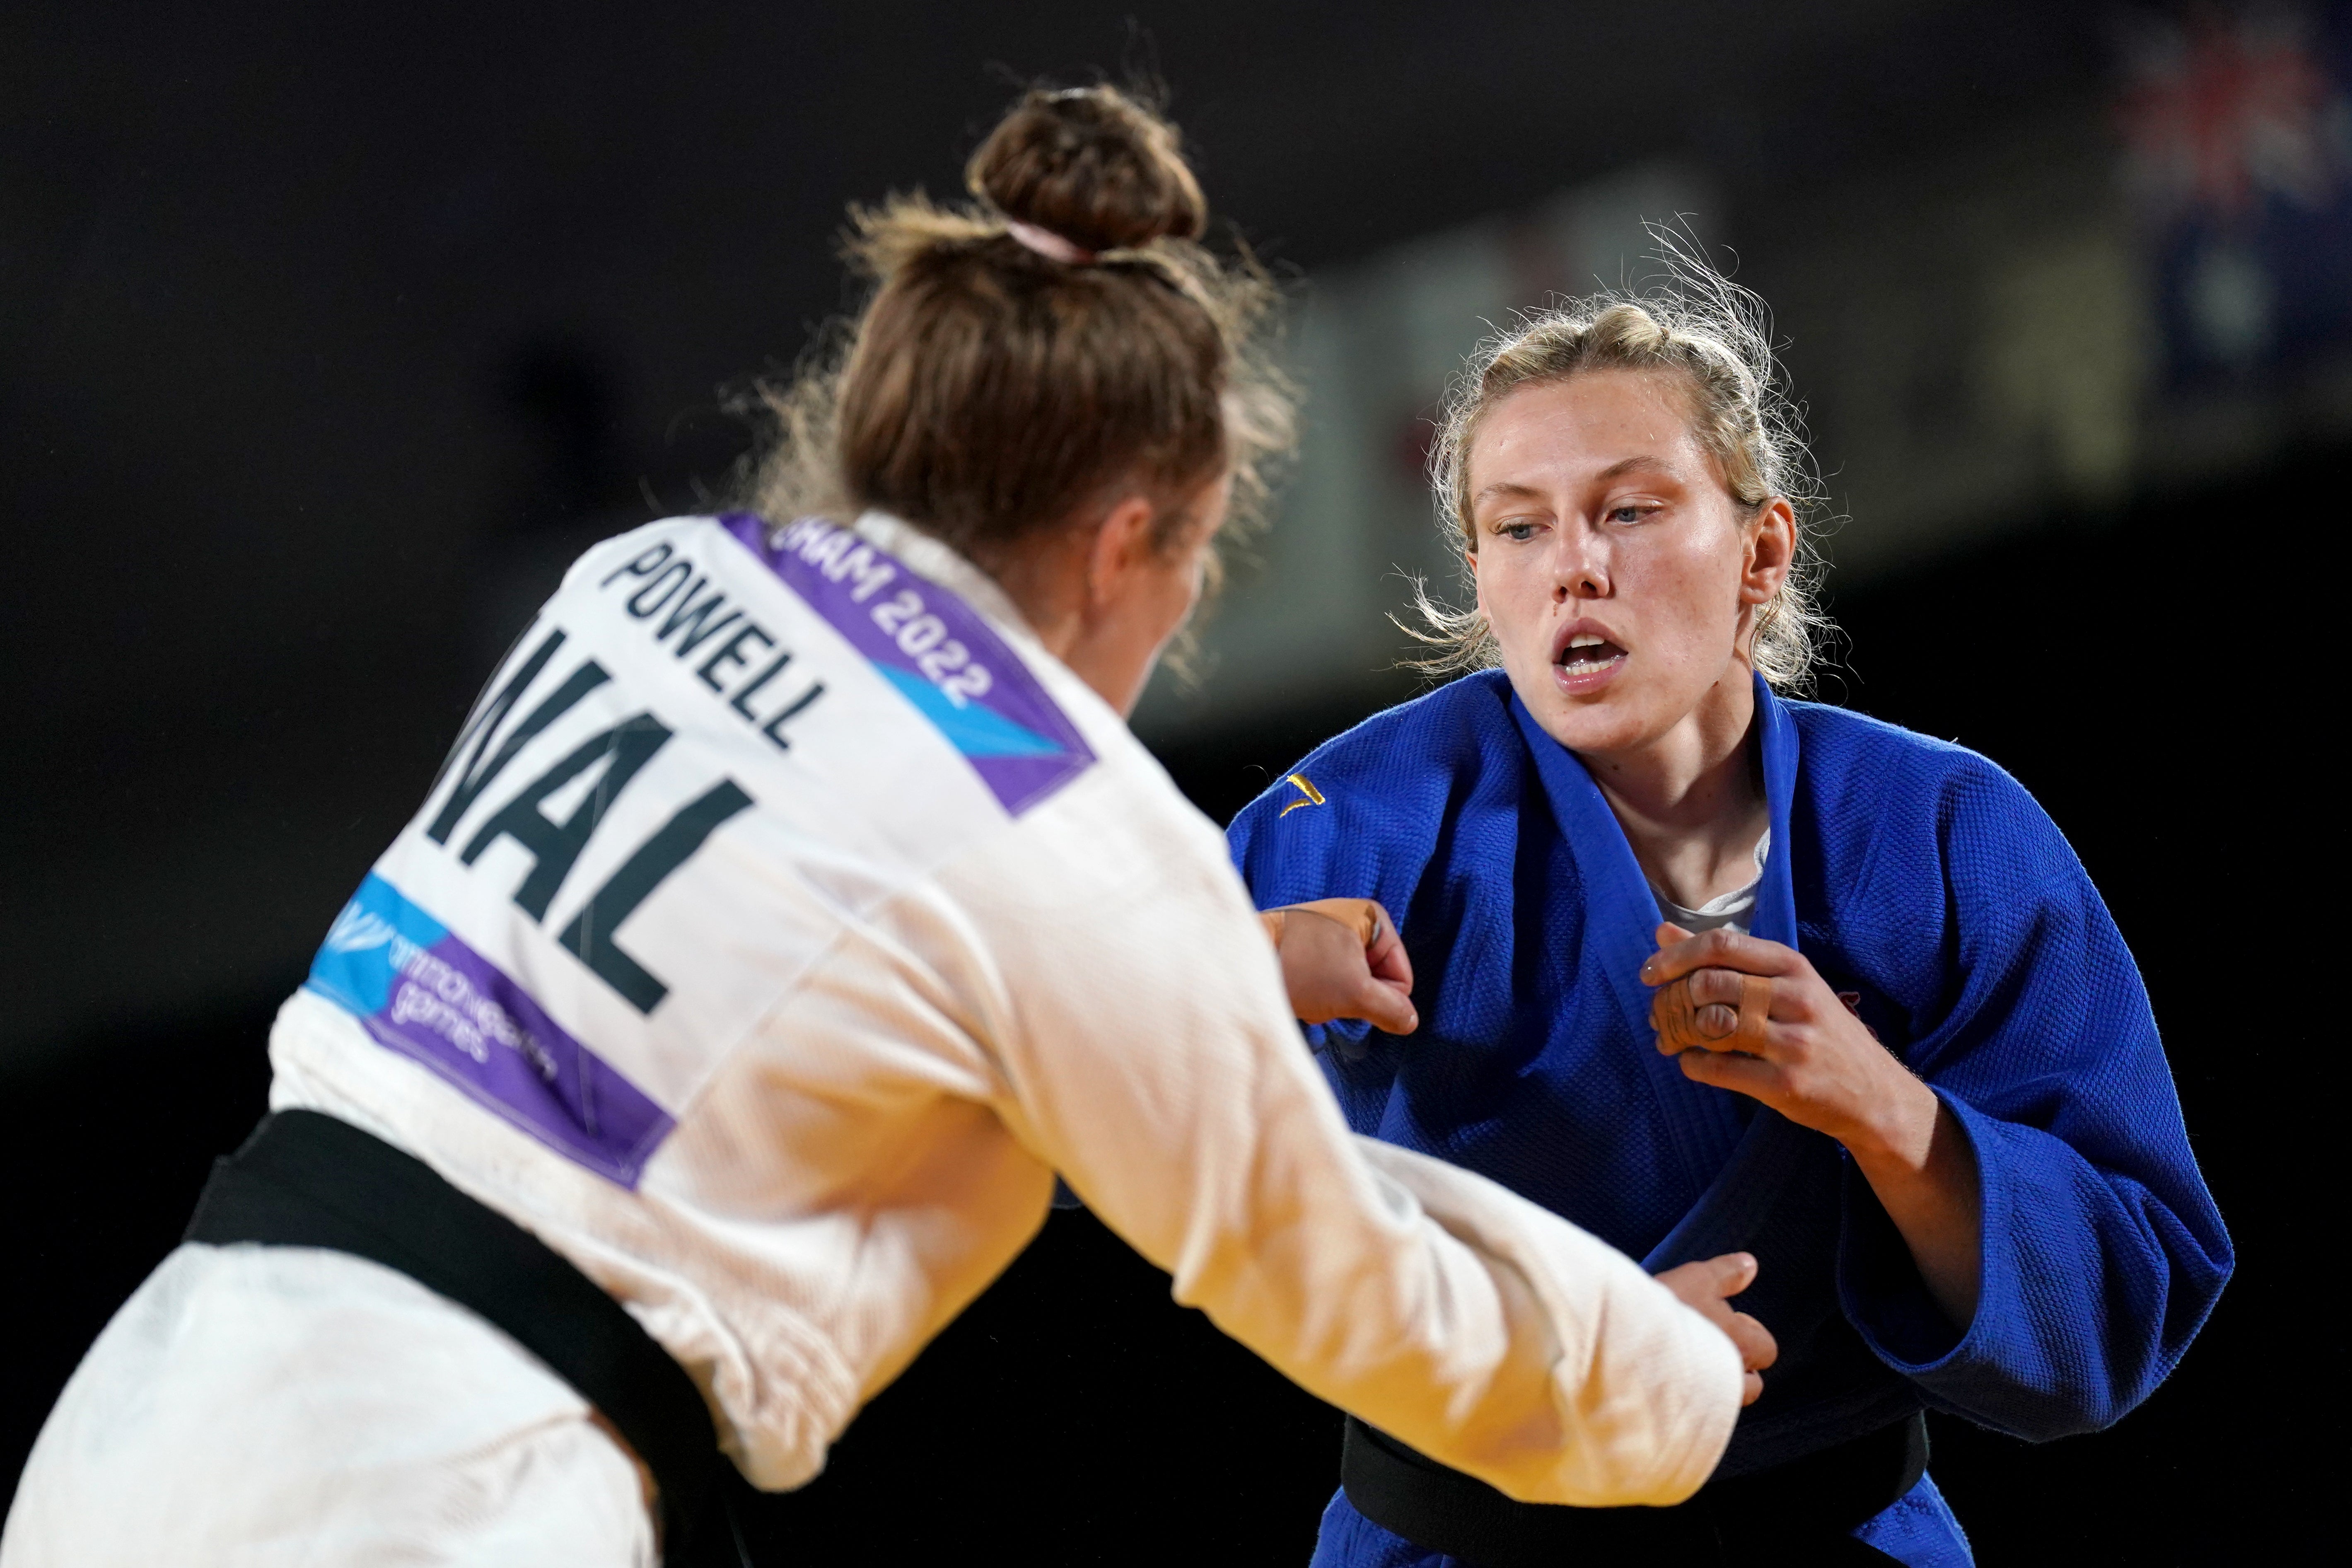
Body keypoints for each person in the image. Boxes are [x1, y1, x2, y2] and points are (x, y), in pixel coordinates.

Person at [1, 90, 1776, 1568]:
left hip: (149, 1409)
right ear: (1125, 538)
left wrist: (1210, 969)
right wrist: (1664, 1376)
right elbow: (1344, 1271)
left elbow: (792, 957)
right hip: (439, 1498)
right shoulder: (1050, 817)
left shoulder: (643, 581)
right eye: (1189, 570)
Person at [1228, 259, 2232, 1567]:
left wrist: (1882, 1106)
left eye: (1630, 510)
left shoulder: (1943, 831)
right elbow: (1059, 1104)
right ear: (1481, 579)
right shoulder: (1355, 823)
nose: (1574, 569)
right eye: (1520, 528)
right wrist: (1224, 968)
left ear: (1762, 549)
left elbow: (2113, 1307)